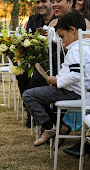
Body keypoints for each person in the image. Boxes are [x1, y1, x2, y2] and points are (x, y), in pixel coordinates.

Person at [22, 10, 90, 147]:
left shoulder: (76, 50)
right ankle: (56, 125)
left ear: (72, 30)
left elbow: (77, 74)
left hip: (73, 91)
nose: (61, 41)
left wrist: (57, 80)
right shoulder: (86, 46)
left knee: (28, 95)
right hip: (83, 92)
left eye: (62, 37)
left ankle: (49, 127)